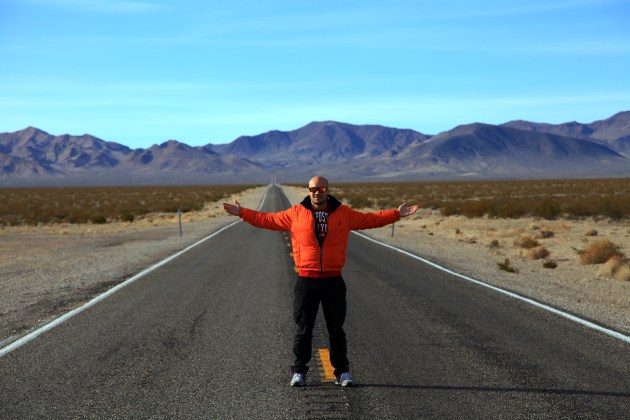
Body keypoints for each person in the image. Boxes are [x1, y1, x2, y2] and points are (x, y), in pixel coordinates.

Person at [223, 176, 420, 387]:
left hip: (333, 281)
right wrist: (242, 212)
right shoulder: (295, 213)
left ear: (328, 190)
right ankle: (299, 372)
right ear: (309, 191)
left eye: (322, 189)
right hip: (307, 281)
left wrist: (396, 214)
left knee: (336, 330)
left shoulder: (344, 213)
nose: (317, 192)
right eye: (313, 189)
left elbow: (370, 219)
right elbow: (266, 219)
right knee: (304, 329)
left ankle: (342, 372)